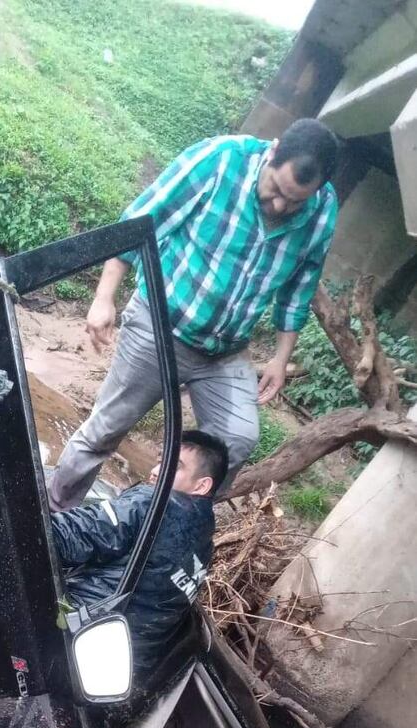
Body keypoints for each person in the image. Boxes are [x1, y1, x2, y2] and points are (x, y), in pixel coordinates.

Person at [48, 119, 338, 511]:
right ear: (271, 152)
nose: (281, 206)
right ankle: (55, 513)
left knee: (235, 440)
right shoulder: (218, 161)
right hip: (161, 326)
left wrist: (281, 357)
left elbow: (300, 286)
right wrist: (104, 296)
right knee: (106, 430)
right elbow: (139, 224)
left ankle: (160, 526)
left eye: (296, 201)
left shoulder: (323, 211)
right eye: (277, 191)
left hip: (227, 351)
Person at [51, 429, 227, 683]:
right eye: (160, 460)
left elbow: (64, 537)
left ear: (202, 485)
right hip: (123, 670)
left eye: (173, 466)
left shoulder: (152, 503)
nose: (156, 470)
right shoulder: (204, 544)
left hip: (71, 642)